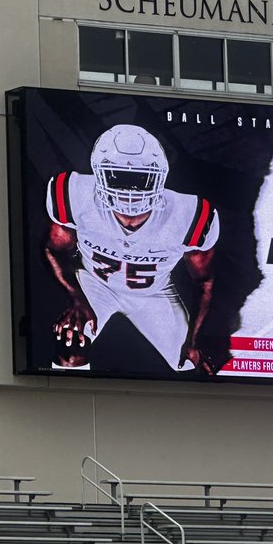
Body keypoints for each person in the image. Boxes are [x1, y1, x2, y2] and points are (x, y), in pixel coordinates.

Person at [43, 124, 218, 373]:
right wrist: (77, 297)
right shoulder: (76, 195)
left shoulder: (189, 215)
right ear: (99, 174)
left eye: (141, 179)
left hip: (155, 292)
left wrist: (192, 341)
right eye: (118, 177)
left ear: (160, 176)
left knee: (190, 364)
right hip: (96, 284)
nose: (130, 192)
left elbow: (205, 282)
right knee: (71, 339)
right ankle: (67, 408)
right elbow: (54, 250)